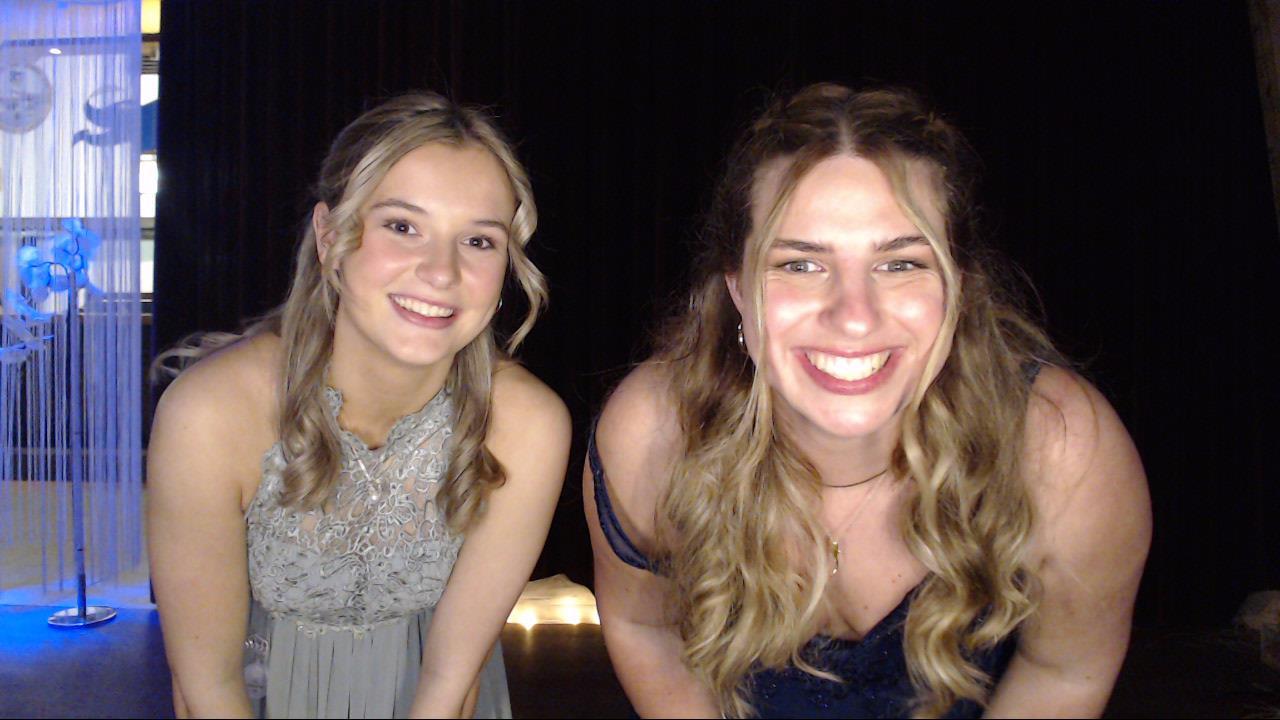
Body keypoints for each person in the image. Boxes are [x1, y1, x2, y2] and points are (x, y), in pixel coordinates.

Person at [585, 83, 1151, 718]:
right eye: (800, 265)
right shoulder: (654, 431)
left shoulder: (1060, 447)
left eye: (900, 263)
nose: (854, 316)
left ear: (959, 288)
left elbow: (1064, 671)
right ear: (737, 290)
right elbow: (645, 629)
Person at [147, 93, 570, 719]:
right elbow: (206, 686)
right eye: (402, 227)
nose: (442, 272)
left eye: (479, 240)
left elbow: (452, 683)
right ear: (330, 238)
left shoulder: (528, 426)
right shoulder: (210, 414)